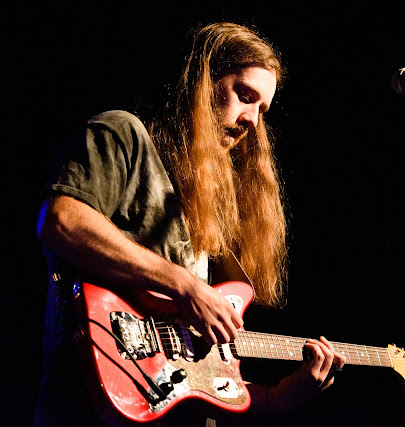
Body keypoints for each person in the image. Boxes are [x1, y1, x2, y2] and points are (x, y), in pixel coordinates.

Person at [35, 22, 346, 425]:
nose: (252, 120)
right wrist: (184, 285)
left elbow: (195, 375)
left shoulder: (206, 205)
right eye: (244, 95)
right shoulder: (122, 132)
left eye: (261, 109)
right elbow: (61, 221)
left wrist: (280, 397)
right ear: (200, 82)